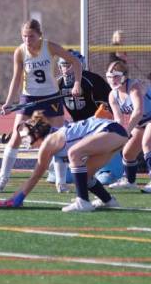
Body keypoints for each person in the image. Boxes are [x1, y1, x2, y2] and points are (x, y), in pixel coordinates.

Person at [0, 19, 83, 193]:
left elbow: (76, 62)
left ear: (39, 35)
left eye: (31, 36)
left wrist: (76, 84)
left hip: (51, 97)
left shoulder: (50, 47)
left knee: (58, 140)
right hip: (29, 97)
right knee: (16, 137)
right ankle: (2, 179)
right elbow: (16, 78)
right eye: (24, 36)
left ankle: (61, 183)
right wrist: (9, 102)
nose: (27, 40)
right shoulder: (19, 52)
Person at [5, 112, 128, 212]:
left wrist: (19, 197)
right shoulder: (53, 136)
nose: (25, 141)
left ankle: (83, 201)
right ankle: (108, 200)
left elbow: (35, 177)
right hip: (117, 133)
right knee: (84, 175)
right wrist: (16, 197)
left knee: (74, 153)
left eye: (25, 137)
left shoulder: (47, 144)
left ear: (36, 132)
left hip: (110, 131)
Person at [51, 51, 123, 186]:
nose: (66, 69)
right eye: (64, 65)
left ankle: (108, 169)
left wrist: (95, 120)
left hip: (99, 126)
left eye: (70, 65)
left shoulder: (92, 80)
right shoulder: (57, 83)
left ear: (79, 66)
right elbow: (54, 112)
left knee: (105, 176)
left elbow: (108, 108)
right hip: (78, 127)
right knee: (61, 173)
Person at [106, 60, 151, 193]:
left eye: (116, 76)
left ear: (124, 76)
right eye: (110, 77)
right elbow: (118, 119)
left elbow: (138, 112)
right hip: (141, 121)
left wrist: (127, 131)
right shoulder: (113, 95)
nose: (113, 80)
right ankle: (129, 181)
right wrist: (118, 135)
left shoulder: (134, 87)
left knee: (147, 144)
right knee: (127, 152)